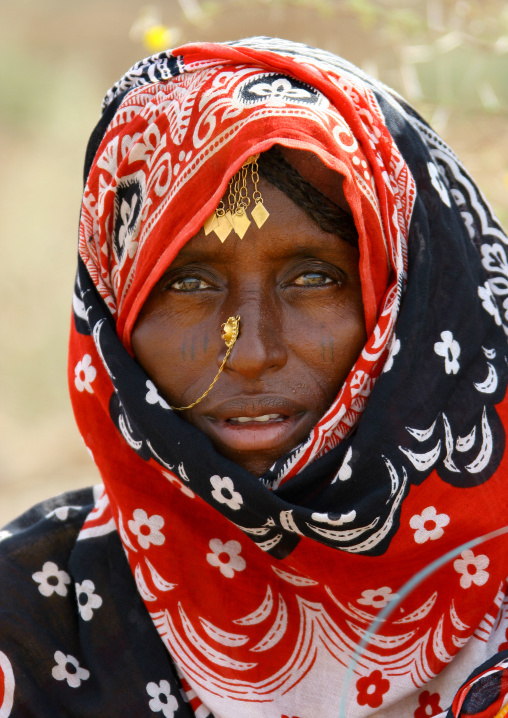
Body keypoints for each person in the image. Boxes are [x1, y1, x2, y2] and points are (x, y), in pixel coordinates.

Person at [1, 36, 508, 718]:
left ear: (410, 307)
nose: (250, 351)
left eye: (312, 278)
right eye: (187, 282)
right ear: (114, 315)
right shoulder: (34, 615)